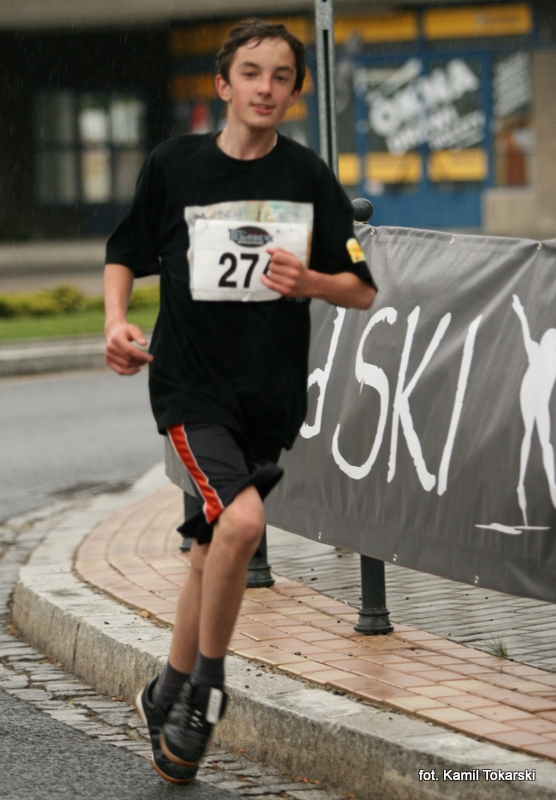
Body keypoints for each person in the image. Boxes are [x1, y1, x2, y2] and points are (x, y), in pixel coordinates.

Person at [103, 18, 376, 785]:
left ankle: (164, 690)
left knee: (209, 550)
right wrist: (115, 322)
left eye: (281, 76)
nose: (266, 88)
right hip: (191, 387)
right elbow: (125, 252)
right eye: (251, 73)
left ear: (295, 90)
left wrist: (310, 281)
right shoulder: (175, 165)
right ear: (223, 85)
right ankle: (206, 692)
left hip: (268, 397)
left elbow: (360, 288)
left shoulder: (307, 176)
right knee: (244, 523)